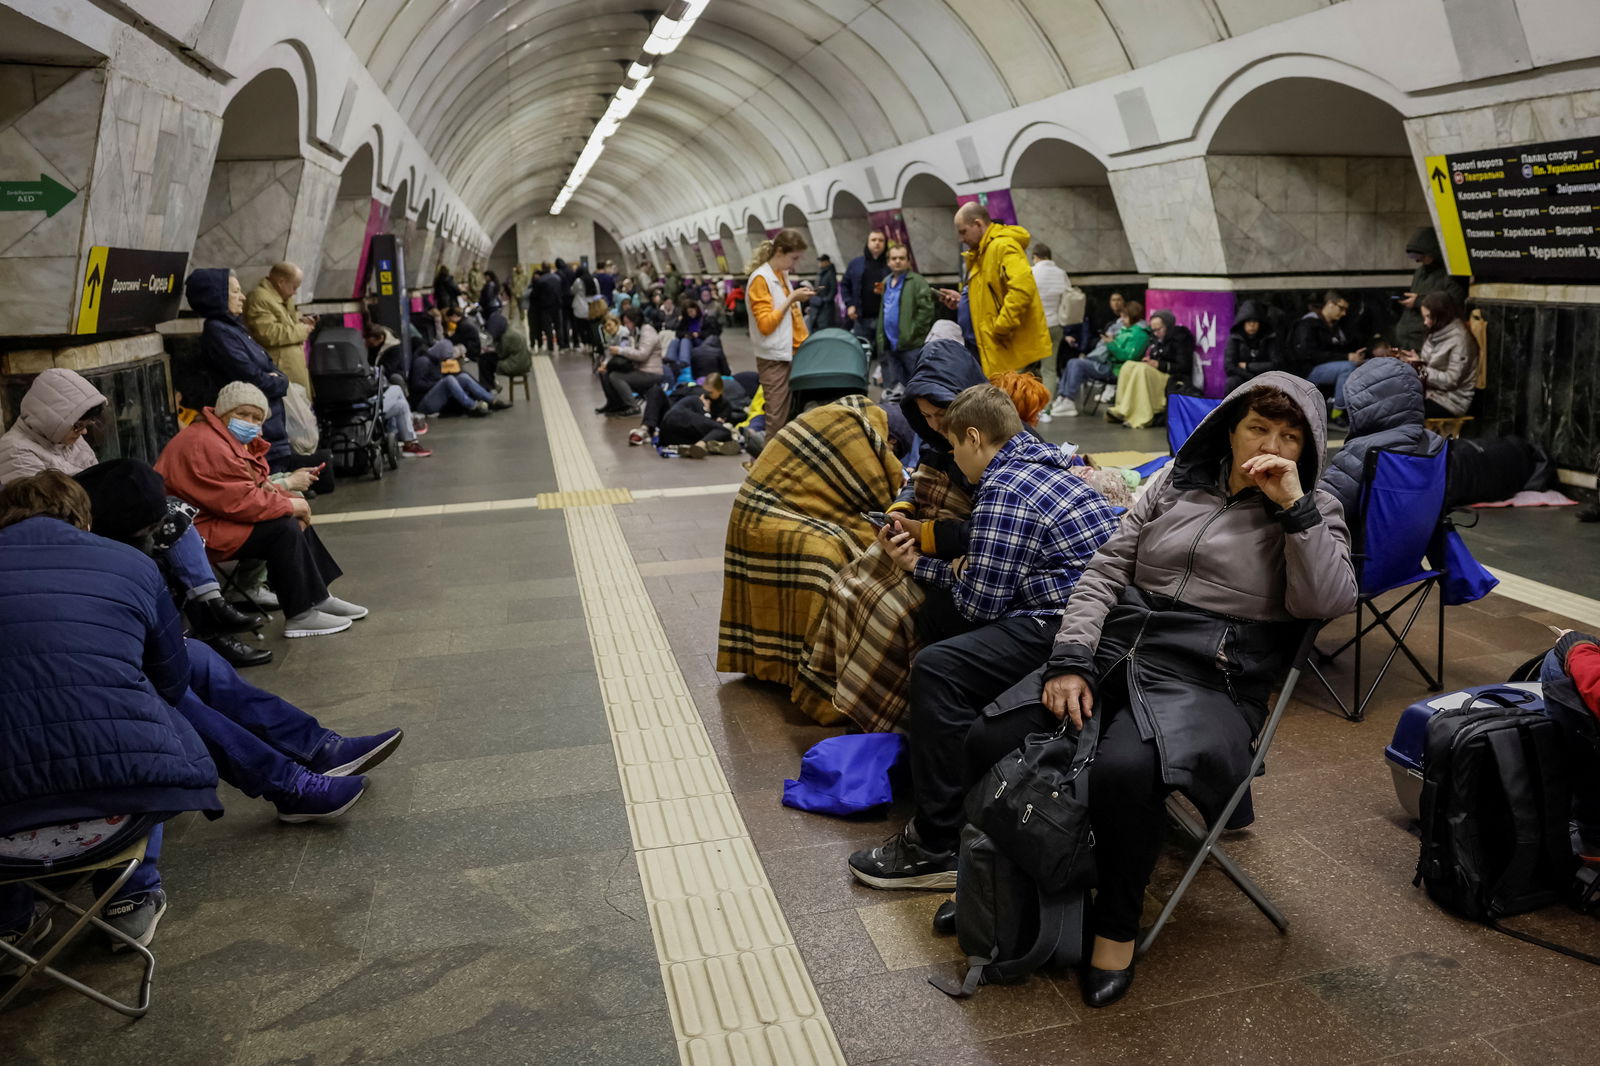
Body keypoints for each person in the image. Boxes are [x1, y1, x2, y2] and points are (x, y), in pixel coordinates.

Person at [952, 374, 1356, 1008]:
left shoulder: (1315, 510)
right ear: (1231, 428)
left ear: (1307, 448)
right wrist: (1072, 657)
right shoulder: (1175, 482)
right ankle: (1000, 881)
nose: (1270, 445)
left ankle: (1114, 929)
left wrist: (1292, 509)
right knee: (990, 733)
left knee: (1124, 770)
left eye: (1289, 436)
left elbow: (1328, 601)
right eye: (1258, 427)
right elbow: (1107, 566)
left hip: (1213, 673)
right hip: (1119, 644)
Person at [846, 384, 1120, 889]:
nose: (953, 458)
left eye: (953, 446)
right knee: (944, 636)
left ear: (974, 436)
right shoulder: (1045, 466)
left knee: (937, 667)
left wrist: (918, 565)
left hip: (1067, 626)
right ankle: (959, 782)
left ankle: (936, 843)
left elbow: (978, 603)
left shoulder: (1005, 487)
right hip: (1104, 619)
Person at [0, 470, 221, 950]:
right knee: (152, 720)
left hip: (5, 838)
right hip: (122, 813)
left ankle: (11, 926)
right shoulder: (130, 562)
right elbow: (173, 678)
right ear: (83, 514)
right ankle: (129, 897)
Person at [0, 366, 267, 662]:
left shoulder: (68, 440)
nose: (84, 431)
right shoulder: (14, 451)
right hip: (65, 537)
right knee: (156, 536)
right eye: (78, 425)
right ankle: (204, 623)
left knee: (169, 517)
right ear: (54, 418)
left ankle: (208, 616)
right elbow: (47, 508)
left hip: (91, 523)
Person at [797, 332, 988, 727]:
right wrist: (900, 510)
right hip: (931, 545)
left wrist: (922, 537)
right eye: (928, 418)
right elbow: (919, 479)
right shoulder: (944, 440)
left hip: (964, 559)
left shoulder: (993, 446)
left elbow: (988, 534)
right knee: (847, 585)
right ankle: (840, 702)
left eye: (943, 414)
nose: (936, 426)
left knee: (893, 612)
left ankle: (892, 722)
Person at [718, 368, 901, 693]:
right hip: (768, 516)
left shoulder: (849, 415)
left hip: (758, 511)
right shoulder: (857, 430)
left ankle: (775, 662)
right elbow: (880, 495)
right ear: (888, 435)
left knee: (849, 541)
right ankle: (815, 676)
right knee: (831, 556)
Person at [155, 381, 368, 639]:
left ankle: (317, 596)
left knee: (289, 515)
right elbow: (239, 501)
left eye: (256, 418)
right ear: (222, 413)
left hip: (210, 519)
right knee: (283, 527)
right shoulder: (207, 444)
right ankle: (301, 614)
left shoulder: (221, 438)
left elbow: (249, 489)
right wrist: (291, 504)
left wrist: (290, 501)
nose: (250, 422)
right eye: (242, 414)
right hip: (195, 531)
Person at [187, 268, 292, 466]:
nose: (243, 297)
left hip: (271, 428)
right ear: (216, 296)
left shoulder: (234, 328)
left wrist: (278, 378)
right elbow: (253, 377)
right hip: (257, 431)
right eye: (235, 292)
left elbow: (268, 365)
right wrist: (279, 382)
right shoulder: (218, 332)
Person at [936, 202, 1051, 377]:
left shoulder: (1003, 247)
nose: (961, 239)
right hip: (987, 347)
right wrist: (963, 301)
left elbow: (1022, 289)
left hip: (1004, 347)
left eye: (963, 231)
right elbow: (989, 295)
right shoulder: (981, 252)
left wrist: (1001, 327)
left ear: (978, 224)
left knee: (1010, 401)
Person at [745, 229, 815, 437]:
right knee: (776, 418)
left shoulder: (781, 275)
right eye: (793, 258)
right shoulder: (761, 279)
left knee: (790, 415)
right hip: (774, 358)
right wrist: (792, 298)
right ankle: (768, 468)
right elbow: (766, 324)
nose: (794, 264)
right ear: (780, 251)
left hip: (793, 353)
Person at [1106, 309, 1196, 429]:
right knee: (1129, 365)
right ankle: (1122, 409)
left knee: (1142, 370)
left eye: (1159, 329)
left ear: (1168, 326)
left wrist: (1159, 365)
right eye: (1153, 330)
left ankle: (1141, 415)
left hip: (1172, 378)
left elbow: (1184, 366)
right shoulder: (1155, 339)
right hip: (1157, 373)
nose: (1156, 333)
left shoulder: (1180, 339)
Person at [1050, 293, 1132, 418]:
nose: (1122, 319)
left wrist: (1111, 344)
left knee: (1077, 364)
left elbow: (1125, 355)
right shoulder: (1114, 324)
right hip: (1102, 359)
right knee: (1072, 361)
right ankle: (1063, 396)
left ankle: (1069, 400)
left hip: (1111, 365)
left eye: (1125, 317)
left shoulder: (1134, 332)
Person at [1400, 292, 1478, 418]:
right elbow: (1433, 363)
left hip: (1450, 401)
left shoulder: (1460, 340)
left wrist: (1420, 367)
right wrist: (1417, 360)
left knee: (1402, 412)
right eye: (1424, 317)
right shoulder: (1436, 330)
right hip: (1430, 393)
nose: (1425, 322)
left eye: (1429, 317)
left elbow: (1451, 380)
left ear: (1441, 315)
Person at [244, 262, 317, 396]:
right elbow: (268, 333)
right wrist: (302, 330)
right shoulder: (259, 298)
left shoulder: (281, 298)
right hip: (281, 369)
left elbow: (286, 321)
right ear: (281, 282)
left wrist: (300, 320)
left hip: (291, 369)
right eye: (294, 287)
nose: (295, 292)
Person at [875, 243, 936, 400]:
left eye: (902, 258)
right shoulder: (886, 281)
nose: (897, 261)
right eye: (894, 258)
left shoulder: (917, 281)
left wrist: (913, 333)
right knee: (896, 387)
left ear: (908, 261)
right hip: (890, 343)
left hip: (911, 345)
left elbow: (926, 311)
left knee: (916, 385)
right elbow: (884, 310)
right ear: (888, 261)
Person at [1287, 290, 1365, 410]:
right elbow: (1307, 354)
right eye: (1341, 308)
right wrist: (1346, 357)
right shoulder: (1307, 324)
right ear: (1330, 304)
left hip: (1325, 367)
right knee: (1347, 368)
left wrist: (1353, 356)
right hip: (1307, 370)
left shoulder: (1335, 326)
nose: (1344, 313)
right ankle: (1339, 411)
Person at [1395, 227, 1467, 352]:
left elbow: (1453, 303)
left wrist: (1418, 301)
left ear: (1433, 252)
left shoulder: (1452, 275)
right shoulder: (1420, 272)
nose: (1418, 260)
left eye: (1421, 255)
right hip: (1407, 341)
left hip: (1428, 341)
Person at [600, 307, 668, 416]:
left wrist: (621, 351)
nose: (626, 325)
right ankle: (616, 404)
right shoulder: (637, 331)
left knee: (615, 376)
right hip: (642, 370)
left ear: (635, 320)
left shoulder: (647, 331)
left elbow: (642, 355)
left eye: (627, 322)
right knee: (607, 374)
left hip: (652, 373)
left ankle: (632, 406)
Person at [659, 374, 744, 458]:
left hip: (676, 435)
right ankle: (702, 444)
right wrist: (706, 411)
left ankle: (693, 447)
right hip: (677, 419)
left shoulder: (724, 404)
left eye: (710, 392)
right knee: (724, 431)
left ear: (720, 390)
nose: (707, 394)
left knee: (720, 431)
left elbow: (710, 424)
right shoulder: (698, 398)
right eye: (705, 391)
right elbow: (710, 423)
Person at [410, 339, 499, 417]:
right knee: (449, 379)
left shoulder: (435, 360)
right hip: (423, 403)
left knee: (462, 377)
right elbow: (416, 385)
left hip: (431, 397)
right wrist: (439, 383)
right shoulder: (422, 362)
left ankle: (491, 400)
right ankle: (472, 406)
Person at [842, 230, 889, 358]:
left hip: (884, 319)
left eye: (881, 240)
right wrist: (850, 304)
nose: (877, 243)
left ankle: (883, 378)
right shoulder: (856, 263)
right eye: (873, 240)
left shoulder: (890, 264)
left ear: (885, 244)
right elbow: (845, 285)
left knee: (885, 355)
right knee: (860, 354)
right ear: (867, 243)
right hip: (861, 318)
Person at [1224, 300, 1283, 392]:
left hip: (1266, 378)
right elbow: (1229, 366)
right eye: (1248, 322)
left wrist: (1248, 366)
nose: (1252, 325)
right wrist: (1251, 377)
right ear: (1243, 323)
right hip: (1242, 378)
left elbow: (1276, 364)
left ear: (1260, 323)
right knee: (1232, 382)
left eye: (1255, 322)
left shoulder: (1269, 337)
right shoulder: (1235, 339)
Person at [1031, 242, 1070, 377]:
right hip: (1055, 325)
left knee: (1021, 367)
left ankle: (1015, 396)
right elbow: (1068, 298)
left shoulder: (1031, 272)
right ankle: (1049, 398)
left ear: (1035, 256)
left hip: (1034, 326)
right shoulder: (1061, 273)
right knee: (1049, 369)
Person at [531, 264, 565, 350]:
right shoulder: (557, 278)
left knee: (548, 327)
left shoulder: (540, 280)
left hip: (545, 307)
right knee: (558, 326)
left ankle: (551, 346)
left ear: (543, 269)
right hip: (557, 306)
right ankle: (561, 345)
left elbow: (535, 295)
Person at [808, 252, 839, 331]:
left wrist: (826, 300)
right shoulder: (822, 273)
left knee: (825, 326)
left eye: (822, 261)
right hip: (819, 304)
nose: (820, 263)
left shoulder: (830, 274)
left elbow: (833, 289)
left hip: (826, 306)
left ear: (827, 262)